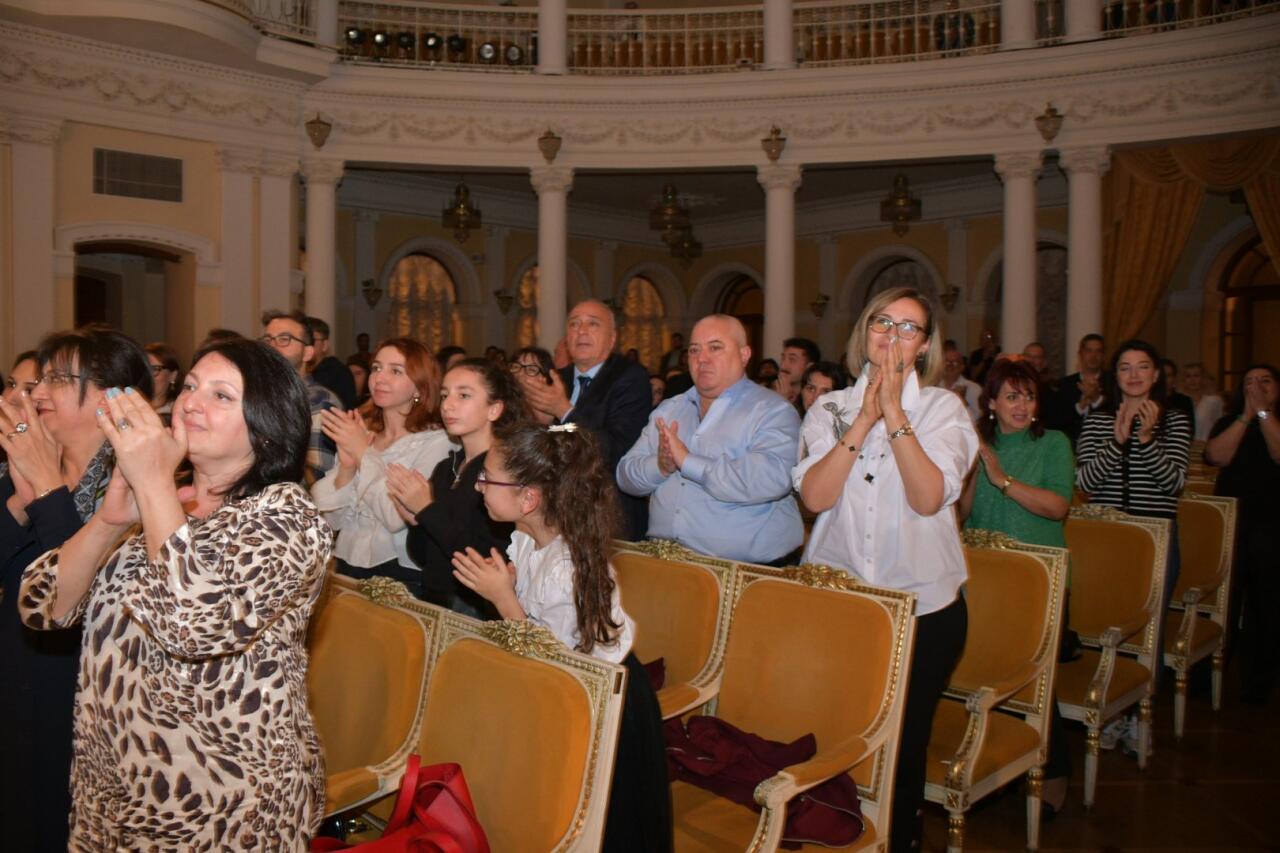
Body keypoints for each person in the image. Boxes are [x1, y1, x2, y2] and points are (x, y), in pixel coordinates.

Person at [18, 337, 329, 850]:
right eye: (189, 387)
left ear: (268, 426)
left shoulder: (288, 520)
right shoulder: (160, 505)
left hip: (224, 805)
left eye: (222, 395)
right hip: (116, 790)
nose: (190, 402)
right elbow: (41, 606)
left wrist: (154, 484)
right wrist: (110, 519)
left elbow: (190, 624)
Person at [792, 287, 976, 853]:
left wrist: (893, 412)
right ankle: (837, 833)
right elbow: (816, 498)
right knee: (837, 728)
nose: (892, 336)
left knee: (902, 742)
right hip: (842, 602)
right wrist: (862, 418)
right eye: (882, 322)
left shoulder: (944, 409)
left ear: (923, 346)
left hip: (923, 608)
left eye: (908, 328)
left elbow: (928, 498)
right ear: (864, 332)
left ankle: (900, 840)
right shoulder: (829, 407)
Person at [451, 424, 672, 853]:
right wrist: (513, 591)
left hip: (605, 696)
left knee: (606, 819)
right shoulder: (527, 539)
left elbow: (553, 660)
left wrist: (504, 600)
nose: (478, 485)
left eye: (488, 479)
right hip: (569, 686)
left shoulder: (567, 567)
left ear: (528, 498)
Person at [0, 331, 152, 853]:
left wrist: (48, 494)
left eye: (60, 378)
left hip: (78, 694)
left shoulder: (132, 485)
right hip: (16, 675)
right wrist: (20, 504)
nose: (39, 389)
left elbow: (78, 599)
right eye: (41, 376)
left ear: (113, 396)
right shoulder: (17, 468)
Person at [957, 358, 1074, 816]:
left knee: (1032, 678)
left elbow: (1057, 506)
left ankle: (1055, 768)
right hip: (983, 576)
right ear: (991, 403)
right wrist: (970, 472)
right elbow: (966, 513)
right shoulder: (981, 445)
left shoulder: (1054, 444)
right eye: (1011, 396)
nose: (1021, 405)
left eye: (1028, 396)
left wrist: (1002, 479)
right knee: (984, 671)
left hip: (1037, 578)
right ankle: (997, 762)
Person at [1076, 339, 1190, 751]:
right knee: (1107, 628)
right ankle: (1106, 711)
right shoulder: (1097, 419)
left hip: (1154, 539)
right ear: (1115, 375)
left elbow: (1174, 484)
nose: (1135, 375)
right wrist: (1118, 440)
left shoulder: (1173, 419)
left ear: (1156, 374)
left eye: (1143, 367)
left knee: (1148, 632)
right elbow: (1086, 483)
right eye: (1126, 368)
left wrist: (1144, 439)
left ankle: (1138, 718)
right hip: (1108, 541)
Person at [618, 314, 804, 565]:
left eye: (715, 348)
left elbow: (769, 479)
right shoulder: (670, 409)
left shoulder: (772, 411)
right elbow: (625, 475)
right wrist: (660, 466)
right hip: (664, 563)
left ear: (744, 354)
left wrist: (688, 462)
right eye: (694, 350)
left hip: (745, 572)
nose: (701, 358)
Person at [311, 338, 453, 593]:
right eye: (376, 368)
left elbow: (394, 517)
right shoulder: (362, 431)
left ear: (419, 387)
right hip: (346, 562)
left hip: (401, 573)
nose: (380, 378)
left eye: (396, 371)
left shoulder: (437, 443)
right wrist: (346, 467)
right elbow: (331, 521)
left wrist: (363, 453)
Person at [395, 359, 528, 614]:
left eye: (464, 395)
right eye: (444, 395)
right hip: (434, 600)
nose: (447, 405)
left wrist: (427, 510)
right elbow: (424, 556)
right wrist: (417, 521)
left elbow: (487, 558)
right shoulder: (446, 468)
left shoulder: (504, 472)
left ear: (494, 409)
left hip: (474, 608)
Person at [518, 300, 651, 539]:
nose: (581, 331)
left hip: (608, 515)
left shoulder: (630, 377)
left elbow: (615, 449)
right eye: (574, 324)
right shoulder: (559, 378)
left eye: (592, 324)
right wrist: (541, 422)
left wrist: (564, 411)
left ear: (612, 338)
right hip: (558, 512)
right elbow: (549, 446)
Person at [1205, 364, 1280, 704]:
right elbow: (1216, 456)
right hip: (1231, 524)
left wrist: (1264, 413)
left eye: (1265, 381)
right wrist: (1246, 416)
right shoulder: (1229, 422)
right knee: (1224, 599)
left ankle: (1260, 680)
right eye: (1249, 382)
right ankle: (1212, 677)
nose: (1256, 387)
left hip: (1271, 523)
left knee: (1266, 604)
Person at [261, 309, 343, 486]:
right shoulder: (258, 396)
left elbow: (318, 476)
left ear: (307, 353)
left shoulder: (319, 401)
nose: (272, 346)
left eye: (284, 339)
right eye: (268, 340)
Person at [1045, 333, 1107, 446]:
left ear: (1103, 356)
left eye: (1098, 351)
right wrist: (1080, 407)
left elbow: (1115, 415)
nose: (1094, 356)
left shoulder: (1113, 383)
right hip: (1070, 447)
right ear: (1080, 354)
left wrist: (1096, 399)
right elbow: (1054, 422)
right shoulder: (1064, 384)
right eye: (1089, 351)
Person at [308, 317, 358, 410]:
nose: (306, 345)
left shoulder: (338, 373)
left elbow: (347, 411)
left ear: (325, 345)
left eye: (311, 341)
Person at [509, 346, 558, 425]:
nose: (520, 374)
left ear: (545, 379)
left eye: (531, 369)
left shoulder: (551, 410)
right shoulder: (500, 403)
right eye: (516, 367)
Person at [940, 340, 982, 422]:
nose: (950, 365)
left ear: (962, 367)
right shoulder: (933, 386)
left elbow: (977, 419)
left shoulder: (974, 389)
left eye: (955, 363)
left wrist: (962, 401)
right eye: (947, 362)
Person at [1183, 362, 1223, 443]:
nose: (1192, 380)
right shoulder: (1179, 402)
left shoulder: (1214, 401)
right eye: (1188, 376)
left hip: (1205, 447)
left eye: (1196, 376)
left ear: (1203, 378)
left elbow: (1219, 427)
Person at [144, 342, 182, 425]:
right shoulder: (130, 406)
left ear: (173, 375)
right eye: (144, 369)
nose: (147, 375)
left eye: (154, 369)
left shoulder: (178, 415)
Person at [779, 337, 820, 404]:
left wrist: (783, 402)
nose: (783, 364)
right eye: (783, 358)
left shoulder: (814, 400)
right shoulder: (767, 393)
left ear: (809, 367)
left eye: (792, 359)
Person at [1160, 359, 1197, 433]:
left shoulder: (1184, 401)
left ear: (1174, 378)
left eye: (1168, 375)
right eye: (1162, 375)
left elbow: (1190, 429)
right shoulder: (1147, 400)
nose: (1164, 379)